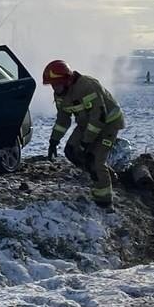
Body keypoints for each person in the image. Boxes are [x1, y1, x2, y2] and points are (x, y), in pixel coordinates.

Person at [42, 59, 126, 208]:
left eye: (57, 84)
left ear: (67, 80)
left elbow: (98, 117)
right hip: (87, 124)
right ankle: (103, 175)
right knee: (72, 152)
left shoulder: (86, 86)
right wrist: (53, 141)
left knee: (95, 158)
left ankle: (104, 201)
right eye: (52, 85)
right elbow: (63, 120)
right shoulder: (60, 95)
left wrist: (86, 143)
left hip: (109, 124)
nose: (54, 88)